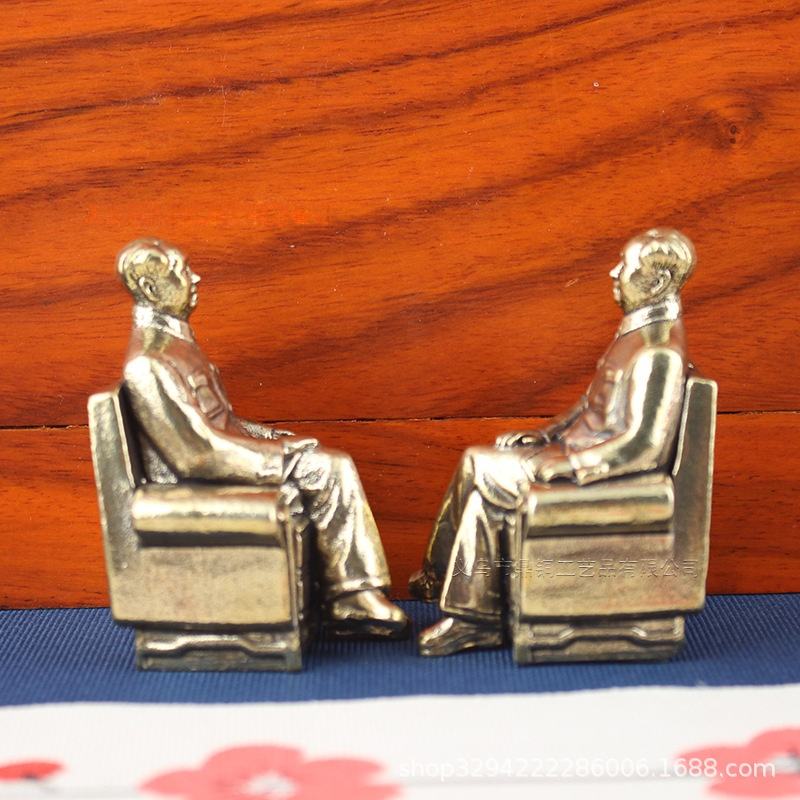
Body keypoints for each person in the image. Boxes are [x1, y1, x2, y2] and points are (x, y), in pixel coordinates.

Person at [410, 228, 695, 656]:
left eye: (627, 266)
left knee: (485, 471)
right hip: (578, 450)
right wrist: (545, 434)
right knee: (481, 478)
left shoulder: (659, 353)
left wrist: (571, 465)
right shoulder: (636, 336)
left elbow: (645, 447)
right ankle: (462, 604)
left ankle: (458, 602)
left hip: (605, 470)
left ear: (657, 282)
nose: (614, 272)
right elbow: (590, 405)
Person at [118, 238, 409, 639]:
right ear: (151, 288)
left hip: (219, 457)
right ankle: (353, 597)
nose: (194, 278)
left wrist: (269, 436)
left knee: (318, 456)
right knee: (328, 468)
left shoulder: (176, 346)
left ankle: (346, 597)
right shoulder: (150, 362)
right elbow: (196, 455)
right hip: (196, 480)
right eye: (181, 271)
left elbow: (222, 423)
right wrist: (279, 455)